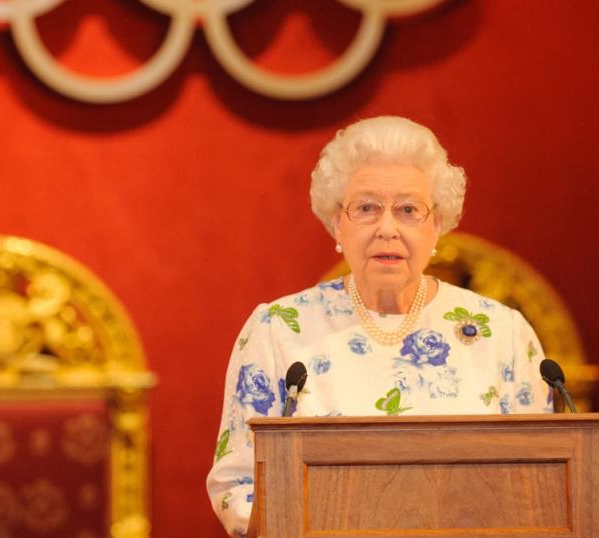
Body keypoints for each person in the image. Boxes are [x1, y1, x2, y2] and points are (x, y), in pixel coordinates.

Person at [206, 116, 553, 537]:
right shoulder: (278, 330)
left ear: (436, 225)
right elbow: (238, 486)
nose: (387, 229)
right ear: (338, 223)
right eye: (366, 208)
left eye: (408, 210)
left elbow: (541, 484)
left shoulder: (503, 335)